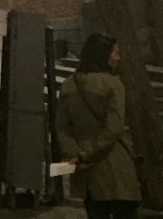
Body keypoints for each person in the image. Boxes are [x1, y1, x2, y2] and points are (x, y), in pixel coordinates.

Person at [56, 33, 141, 219]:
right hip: (114, 165)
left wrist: (76, 154)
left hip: (86, 173)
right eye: (115, 53)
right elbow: (114, 129)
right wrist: (86, 155)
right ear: (103, 54)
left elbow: (61, 128)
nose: (118, 58)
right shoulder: (113, 84)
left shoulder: (69, 85)